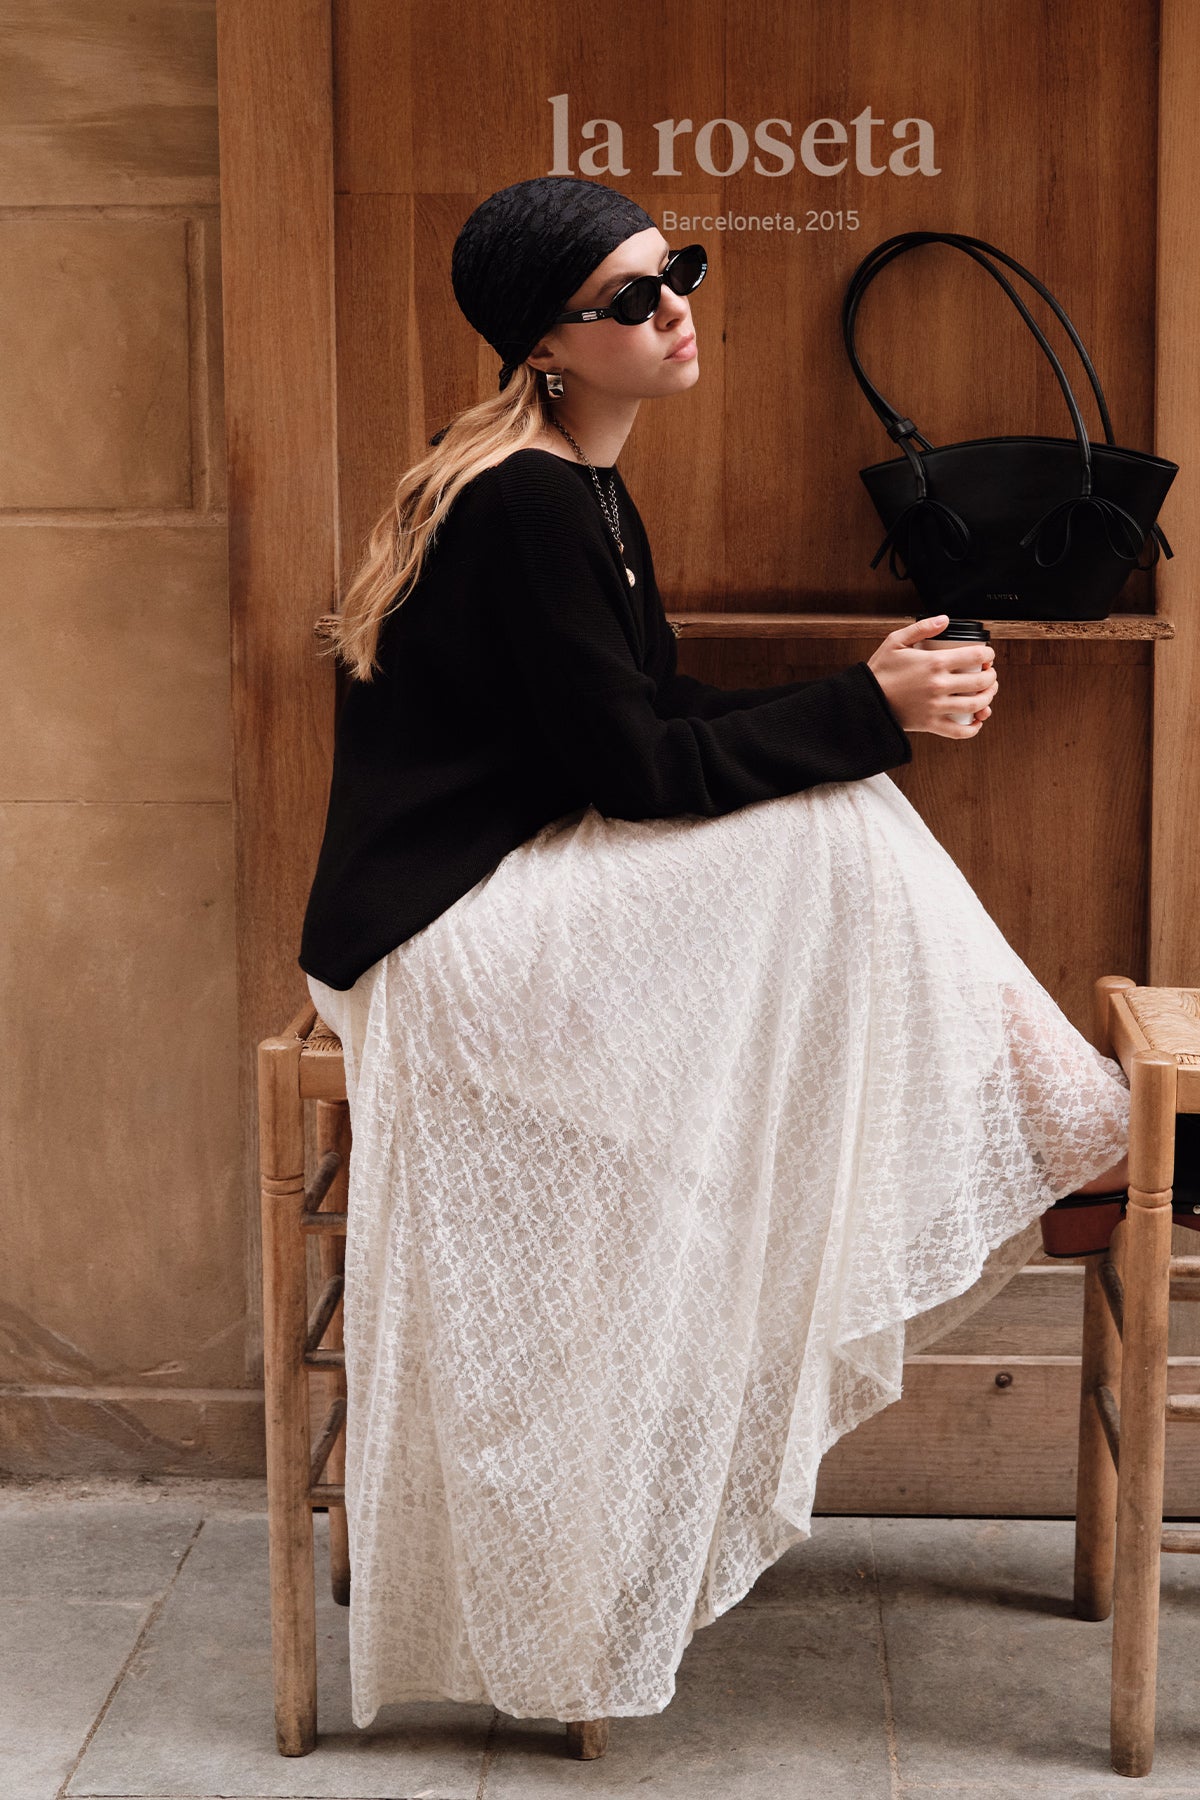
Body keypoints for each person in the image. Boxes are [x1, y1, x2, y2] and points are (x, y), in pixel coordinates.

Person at [299, 176, 1134, 1730]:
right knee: (841, 819)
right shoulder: (529, 502)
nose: (675, 308)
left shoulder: (580, 484)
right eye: (631, 297)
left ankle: (1056, 1112)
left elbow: (650, 713)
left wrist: (862, 700)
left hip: (504, 882)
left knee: (843, 804)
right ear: (546, 343)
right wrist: (867, 715)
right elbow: (637, 773)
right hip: (440, 934)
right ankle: (1064, 1117)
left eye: (674, 270)